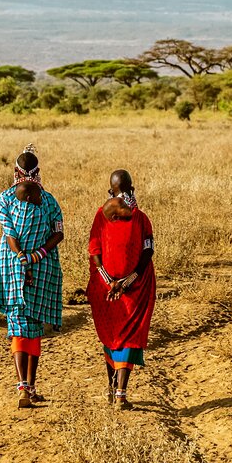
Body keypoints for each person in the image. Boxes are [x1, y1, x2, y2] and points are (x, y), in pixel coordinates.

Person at [0, 145, 64, 408]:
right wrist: (37, 255)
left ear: (15, 172)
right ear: (38, 172)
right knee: (34, 328)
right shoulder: (50, 201)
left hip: (12, 265)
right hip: (42, 266)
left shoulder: (5, 199)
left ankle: (24, 387)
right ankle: (30, 386)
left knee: (18, 326)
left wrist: (22, 257)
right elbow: (59, 234)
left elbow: (10, 234)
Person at [87, 169, 155, 409]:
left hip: (104, 288)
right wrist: (128, 280)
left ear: (110, 191)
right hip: (135, 287)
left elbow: (94, 251)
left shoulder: (100, 216)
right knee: (128, 336)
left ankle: (111, 388)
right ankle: (120, 395)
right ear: (132, 189)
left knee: (112, 335)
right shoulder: (141, 218)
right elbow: (148, 251)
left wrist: (109, 281)